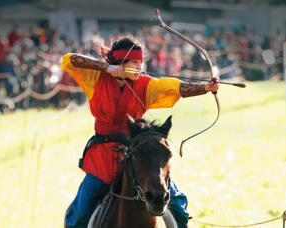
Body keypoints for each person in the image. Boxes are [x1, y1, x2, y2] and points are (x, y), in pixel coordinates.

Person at [61, 36, 219, 228]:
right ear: (120, 62)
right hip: (102, 158)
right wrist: (106, 68)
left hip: (140, 154)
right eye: (134, 62)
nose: (139, 67)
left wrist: (204, 87)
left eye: (140, 62)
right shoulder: (95, 79)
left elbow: (174, 87)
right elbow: (69, 60)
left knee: (178, 208)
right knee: (79, 215)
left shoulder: (144, 85)